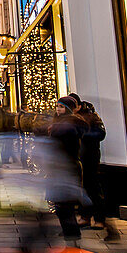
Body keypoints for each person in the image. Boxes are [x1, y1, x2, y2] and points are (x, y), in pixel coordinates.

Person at [77, 99, 119, 240]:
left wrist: (81, 134)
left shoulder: (91, 117)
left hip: (89, 158)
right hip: (76, 159)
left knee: (92, 187)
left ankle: (101, 219)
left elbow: (100, 134)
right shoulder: (69, 119)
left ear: (78, 106)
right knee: (81, 188)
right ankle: (85, 216)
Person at [46, 96, 86, 242]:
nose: (58, 109)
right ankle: (70, 232)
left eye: (61, 107)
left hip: (66, 166)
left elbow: (65, 145)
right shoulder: (60, 123)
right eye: (57, 106)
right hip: (59, 166)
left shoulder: (69, 124)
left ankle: (72, 234)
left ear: (68, 109)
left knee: (64, 204)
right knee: (61, 203)